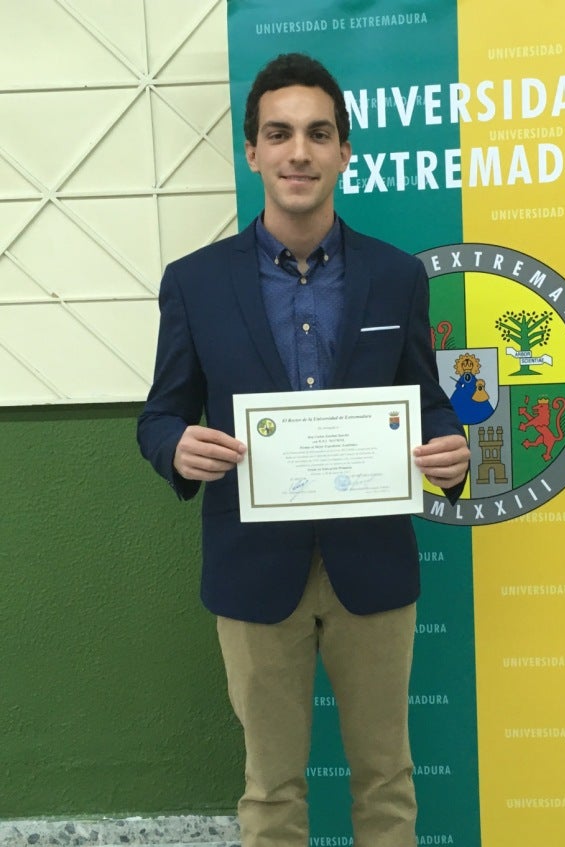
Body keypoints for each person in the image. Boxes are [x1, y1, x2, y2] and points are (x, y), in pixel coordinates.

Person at [137, 52, 469, 847]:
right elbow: (161, 412)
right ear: (252, 151)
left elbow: (425, 394)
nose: (299, 152)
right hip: (253, 567)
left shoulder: (395, 275)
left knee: (386, 779)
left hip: (372, 564)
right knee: (271, 788)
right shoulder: (194, 282)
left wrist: (449, 442)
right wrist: (176, 446)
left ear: (344, 151)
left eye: (319, 134)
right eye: (279, 134)